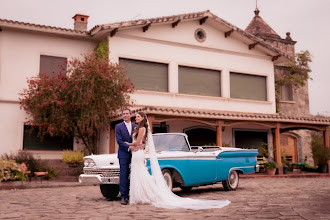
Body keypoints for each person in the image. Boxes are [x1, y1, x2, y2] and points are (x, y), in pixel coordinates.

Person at [125, 112, 231, 210]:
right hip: (136, 152)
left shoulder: (142, 128)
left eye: (138, 116)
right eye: (136, 116)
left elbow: (139, 141)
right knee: (137, 173)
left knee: (141, 173)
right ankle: (140, 195)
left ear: (143, 118)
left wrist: (128, 144)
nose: (136, 118)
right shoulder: (139, 128)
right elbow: (142, 142)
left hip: (137, 152)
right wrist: (139, 145)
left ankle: (148, 194)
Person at [115, 108, 137, 205]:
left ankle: (133, 195)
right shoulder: (118, 126)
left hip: (135, 155)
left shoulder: (136, 126)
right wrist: (129, 147)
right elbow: (119, 141)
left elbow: (140, 139)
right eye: (123, 114)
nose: (125, 115)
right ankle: (123, 196)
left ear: (130, 115)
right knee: (124, 175)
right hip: (123, 154)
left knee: (133, 174)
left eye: (127, 113)